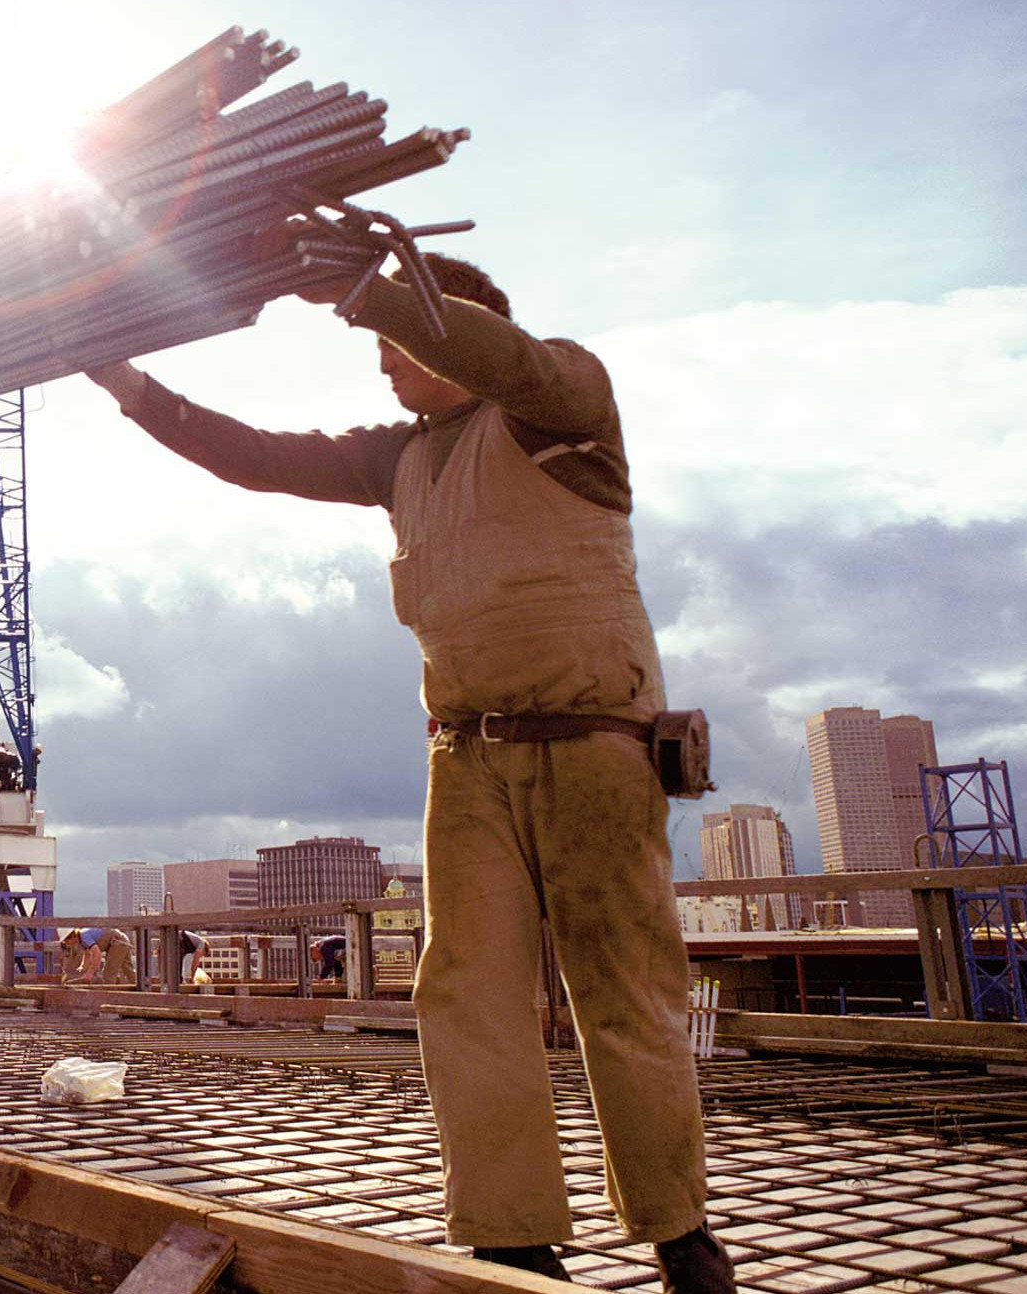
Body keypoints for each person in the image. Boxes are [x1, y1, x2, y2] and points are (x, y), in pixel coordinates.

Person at [86, 254, 730, 1292]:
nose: (382, 364)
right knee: (466, 993)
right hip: (466, 757)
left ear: (450, 328)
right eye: (377, 347)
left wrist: (365, 289)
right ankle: (512, 1235)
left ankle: (678, 1232)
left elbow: (502, 356)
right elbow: (256, 455)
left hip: (591, 743)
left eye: (396, 343)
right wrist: (130, 387)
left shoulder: (559, 404)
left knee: (621, 988)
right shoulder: (401, 459)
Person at [58, 926, 133, 985]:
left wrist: (90, 973)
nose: (69, 945)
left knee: (108, 974)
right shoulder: (81, 941)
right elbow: (87, 954)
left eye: (67, 942)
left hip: (117, 942)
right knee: (128, 969)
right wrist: (82, 966)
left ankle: (107, 998)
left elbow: (97, 955)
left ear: (72, 937)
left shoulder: (84, 936)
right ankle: (142, 989)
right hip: (121, 940)